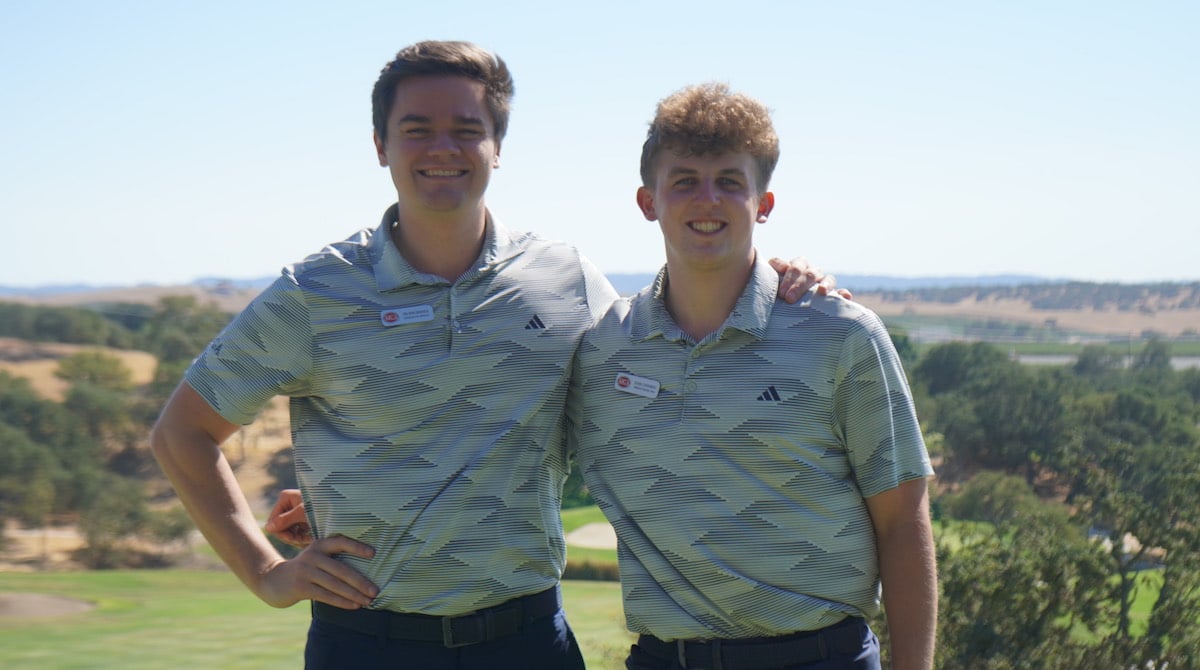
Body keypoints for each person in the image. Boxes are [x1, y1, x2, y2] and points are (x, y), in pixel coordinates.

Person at [151, 41, 831, 669]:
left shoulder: (564, 279)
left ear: (498, 146)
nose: (442, 148)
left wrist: (775, 274)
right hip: (365, 641)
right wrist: (268, 574)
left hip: (527, 640)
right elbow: (183, 433)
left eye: (467, 130)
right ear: (380, 146)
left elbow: (671, 343)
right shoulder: (318, 291)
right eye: (416, 129)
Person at [564, 84, 937, 669]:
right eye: (684, 180)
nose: (707, 200)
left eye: (730, 182)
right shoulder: (605, 347)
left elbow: (902, 521)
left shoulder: (842, 335)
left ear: (764, 203)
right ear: (647, 201)